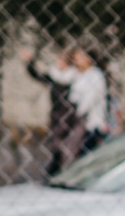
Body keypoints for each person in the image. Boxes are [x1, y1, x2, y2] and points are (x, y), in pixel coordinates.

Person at [23, 46, 86, 176]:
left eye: (61, 61)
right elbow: (36, 75)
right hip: (57, 114)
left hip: (70, 115)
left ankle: (63, 169)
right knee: (56, 144)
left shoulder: (74, 78)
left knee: (69, 144)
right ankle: (55, 170)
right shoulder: (55, 77)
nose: (58, 63)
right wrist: (29, 62)